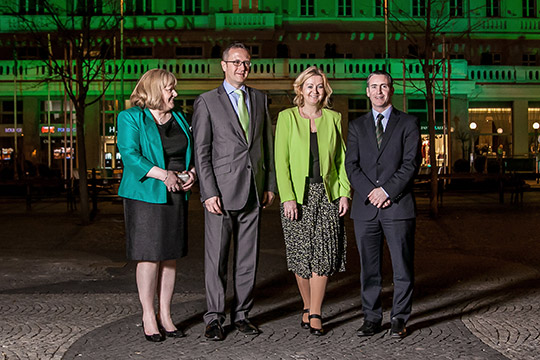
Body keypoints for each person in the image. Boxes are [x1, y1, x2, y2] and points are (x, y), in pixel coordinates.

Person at [192, 42, 277, 341]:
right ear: (224, 65)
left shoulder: (259, 99)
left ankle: (242, 314)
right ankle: (214, 317)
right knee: (216, 259)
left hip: (254, 190)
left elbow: (267, 145)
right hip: (221, 194)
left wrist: (270, 185)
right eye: (236, 62)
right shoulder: (206, 102)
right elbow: (201, 153)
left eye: (247, 62)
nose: (242, 67)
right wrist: (208, 192)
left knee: (247, 258)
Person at [117, 69, 196, 342]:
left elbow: (192, 152)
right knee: (149, 255)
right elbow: (130, 155)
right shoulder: (130, 117)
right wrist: (165, 175)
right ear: (153, 91)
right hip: (145, 193)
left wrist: (192, 174)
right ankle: (148, 316)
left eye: (174, 88)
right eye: (169, 89)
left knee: (170, 255)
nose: (175, 93)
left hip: (176, 194)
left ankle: (166, 315)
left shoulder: (180, 119)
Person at [274, 66, 351, 336]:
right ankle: (307, 306)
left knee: (324, 253)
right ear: (300, 89)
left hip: (327, 194)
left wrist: (344, 191)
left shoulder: (333, 118)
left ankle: (316, 311)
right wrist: (288, 197)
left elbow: (341, 160)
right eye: (309, 86)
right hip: (298, 196)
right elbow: (280, 162)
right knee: (300, 255)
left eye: (319, 86)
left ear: (325, 90)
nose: (315, 91)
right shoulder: (287, 118)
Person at [345, 70, 420, 339]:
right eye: (373, 87)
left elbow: (411, 164)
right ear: (367, 91)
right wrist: (372, 192)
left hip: (398, 206)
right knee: (369, 267)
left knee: (402, 266)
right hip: (366, 208)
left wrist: (387, 190)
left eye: (384, 86)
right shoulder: (356, 126)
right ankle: (372, 317)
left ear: (391, 90)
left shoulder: (408, 123)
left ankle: (399, 317)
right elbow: (351, 166)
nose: (378, 91)